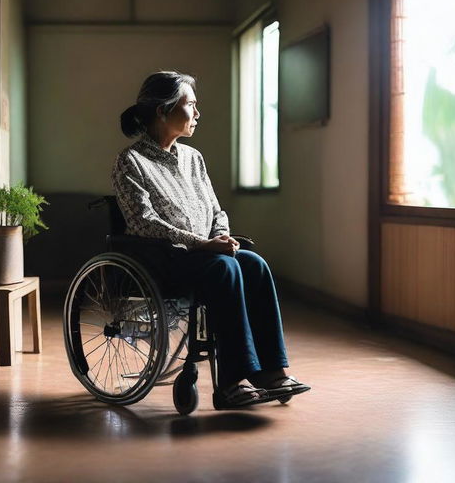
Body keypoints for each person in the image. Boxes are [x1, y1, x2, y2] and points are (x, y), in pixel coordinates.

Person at [112, 71, 310, 408]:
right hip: (165, 262)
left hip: (207, 255)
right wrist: (200, 244)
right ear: (163, 110)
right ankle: (232, 382)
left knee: (254, 265)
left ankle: (273, 371)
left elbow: (217, 210)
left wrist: (219, 235)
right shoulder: (131, 162)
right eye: (190, 105)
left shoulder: (193, 158)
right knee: (224, 269)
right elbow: (143, 223)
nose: (197, 113)